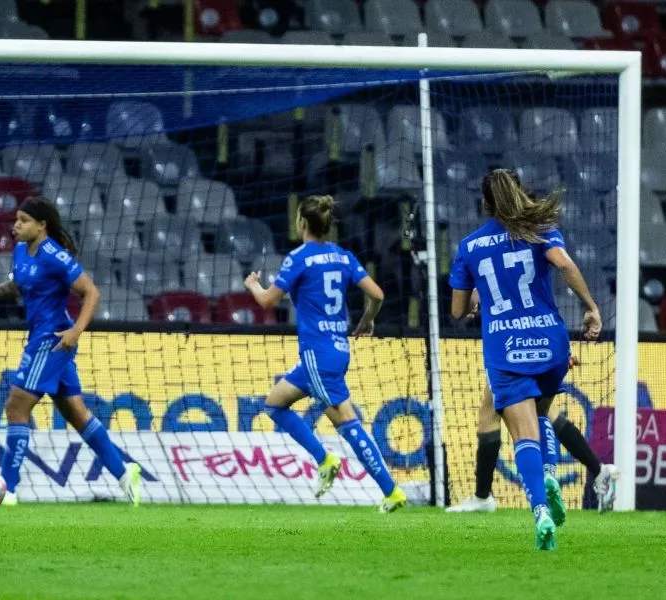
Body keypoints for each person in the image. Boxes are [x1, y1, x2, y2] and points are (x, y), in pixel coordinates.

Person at [449, 169, 602, 550]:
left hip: (507, 348)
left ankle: (541, 512)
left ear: (485, 203)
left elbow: (458, 310)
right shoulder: (541, 229)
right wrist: (590, 307)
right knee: (542, 412)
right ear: (519, 193)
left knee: (522, 434)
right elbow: (565, 265)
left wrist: (478, 300)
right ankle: (549, 474)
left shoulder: (469, 246)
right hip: (551, 344)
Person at [0, 197, 141, 506]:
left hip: (52, 339)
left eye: (24, 220)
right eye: (16, 219)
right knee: (76, 413)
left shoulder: (55, 256)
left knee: (15, 407)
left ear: (42, 225)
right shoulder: (21, 251)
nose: (16, 225)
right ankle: (125, 474)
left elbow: (91, 292)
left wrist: (76, 332)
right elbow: (17, 286)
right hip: (44, 338)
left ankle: (9, 491)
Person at [243, 194, 406, 512]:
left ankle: (391, 491)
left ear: (302, 222)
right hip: (336, 350)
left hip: (317, 355)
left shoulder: (298, 258)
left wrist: (252, 284)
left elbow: (267, 301)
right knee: (275, 404)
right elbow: (377, 294)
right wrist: (367, 320)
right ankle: (325, 460)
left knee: (347, 422)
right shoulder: (343, 256)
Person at [447, 292, 619, 514]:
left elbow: (465, 303)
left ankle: (490, 495)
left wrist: (471, 302)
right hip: (531, 343)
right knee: (532, 413)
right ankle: (597, 471)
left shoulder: (492, 276)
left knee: (519, 415)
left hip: (514, 348)